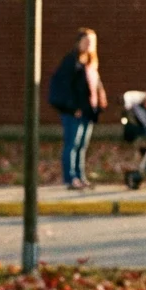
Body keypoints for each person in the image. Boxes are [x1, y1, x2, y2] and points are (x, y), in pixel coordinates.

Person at [48, 28, 108, 190]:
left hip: (88, 112)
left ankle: (80, 176)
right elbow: (65, 87)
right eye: (86, 41)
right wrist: (73, 108)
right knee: (71, 145)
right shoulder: (71, 62)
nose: (89, 45)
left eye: (92, 42)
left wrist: (100, 101)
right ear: (78, 42)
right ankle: (70, 178)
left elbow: (95, 86)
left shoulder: (90, 63)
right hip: (74, 112)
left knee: (82, 146)